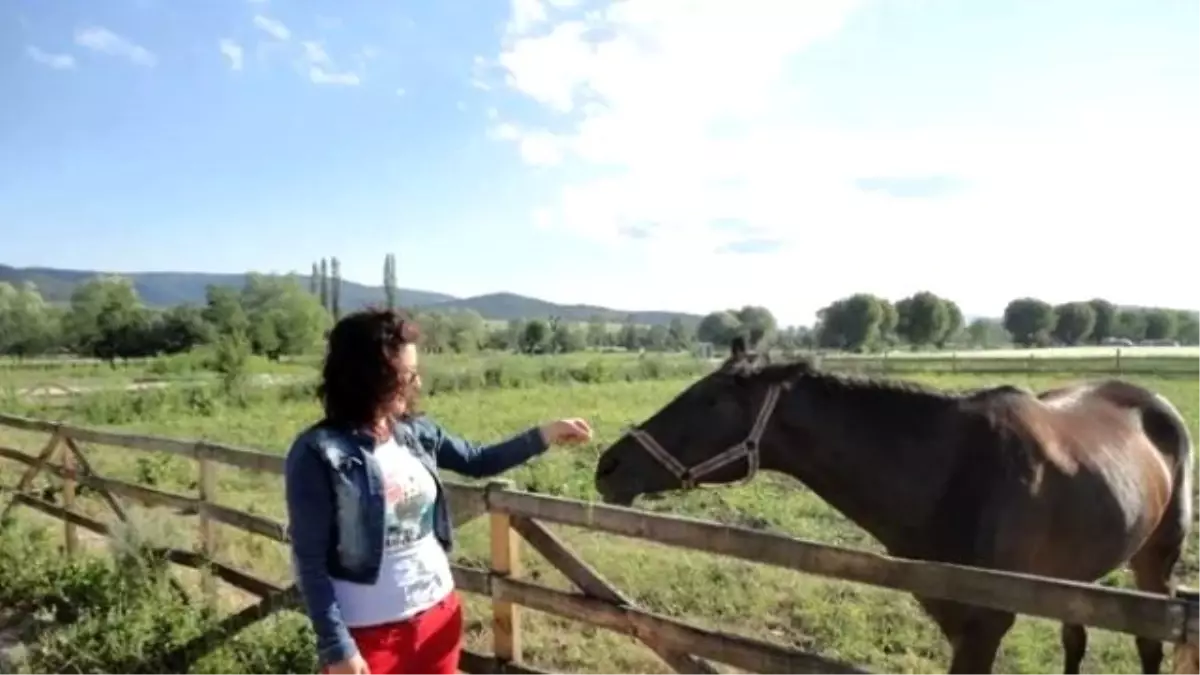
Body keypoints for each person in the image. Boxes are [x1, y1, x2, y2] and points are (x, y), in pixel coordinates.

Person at [284, 308, 593, 675]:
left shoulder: (415, 433)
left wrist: (546, 433)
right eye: (405, 375)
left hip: (438, 617)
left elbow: (478, 460)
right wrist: (337, 648)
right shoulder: (319, 453)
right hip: (368, 637)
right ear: (366, 377)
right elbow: (310, 563)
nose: (416, 385)